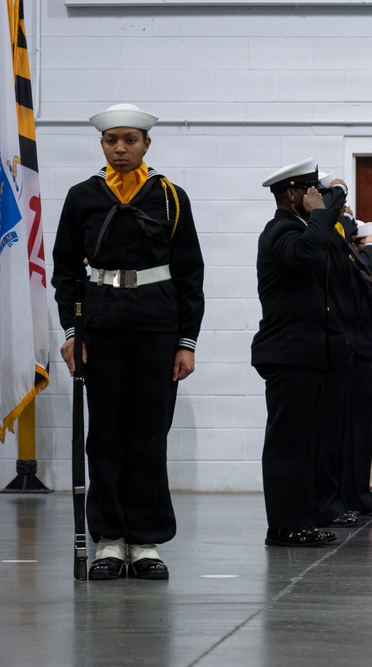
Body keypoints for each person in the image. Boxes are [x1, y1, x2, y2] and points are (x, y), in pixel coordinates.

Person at [52, 103, 205, 580]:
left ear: (146, 144)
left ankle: (145, 538)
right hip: (102, 328)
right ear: (102, 145)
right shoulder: (82, 197)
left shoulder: (170, 198)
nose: (120, 148)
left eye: (129, 140)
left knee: (148, 434)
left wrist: (187, 341)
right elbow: (64, 271)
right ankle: (109, 539)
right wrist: (72, 332)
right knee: (106, 435)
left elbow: (190, 274)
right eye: (111, 140)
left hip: (157, 328)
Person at [252, 158, 359, 547]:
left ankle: (304, 517)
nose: (318, 197)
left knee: (307, 443)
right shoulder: (280, 231)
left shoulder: (302, 227)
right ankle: (283, 525)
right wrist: (319, 215)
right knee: (288, 444)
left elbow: (328, 247)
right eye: (311, 191)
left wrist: (328, 210)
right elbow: (307, 255)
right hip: (288, 353)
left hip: (309, 354)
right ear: (295, 194)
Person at [334, 197, 372, 517]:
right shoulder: (336, 249)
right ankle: (345, 496)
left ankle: (359, 493)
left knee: (362, 430)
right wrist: (368, 249)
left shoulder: (349, 250)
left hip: (365, 350)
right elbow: (354, 273)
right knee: (346, 431)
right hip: (350, 350)